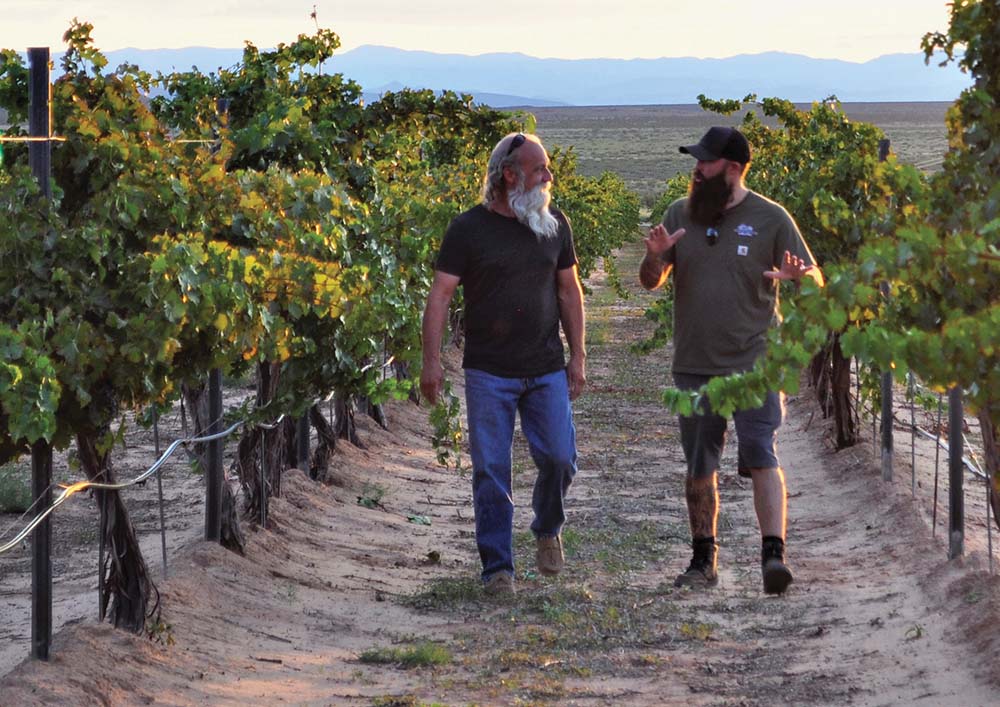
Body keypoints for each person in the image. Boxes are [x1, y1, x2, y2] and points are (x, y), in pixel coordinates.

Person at [639, 126, 823, 595]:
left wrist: (799, 278)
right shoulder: (680, 213)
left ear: (735, 169)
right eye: (696, 161)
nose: (697, 170)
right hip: (694, 363)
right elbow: (650, 281)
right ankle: (703, 560)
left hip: (756, 361)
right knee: (700, 465)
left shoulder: (771, 218)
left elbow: (814, 279)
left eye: (706, 162)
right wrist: (655, 259)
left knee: (761, 453)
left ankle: (773, 557)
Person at [420, 132, 586, 596]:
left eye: (547, 168)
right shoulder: (467, 229)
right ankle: (498, 569)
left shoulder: (554, 225)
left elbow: (569, 292)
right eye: (539, 170)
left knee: (560, 458)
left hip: (545, 366)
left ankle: (548, 527)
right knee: (491, 470)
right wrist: (431, 362)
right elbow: (440, 296)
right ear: (509, 175)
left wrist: (578, 356)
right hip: (489, 371)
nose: (549, 177)